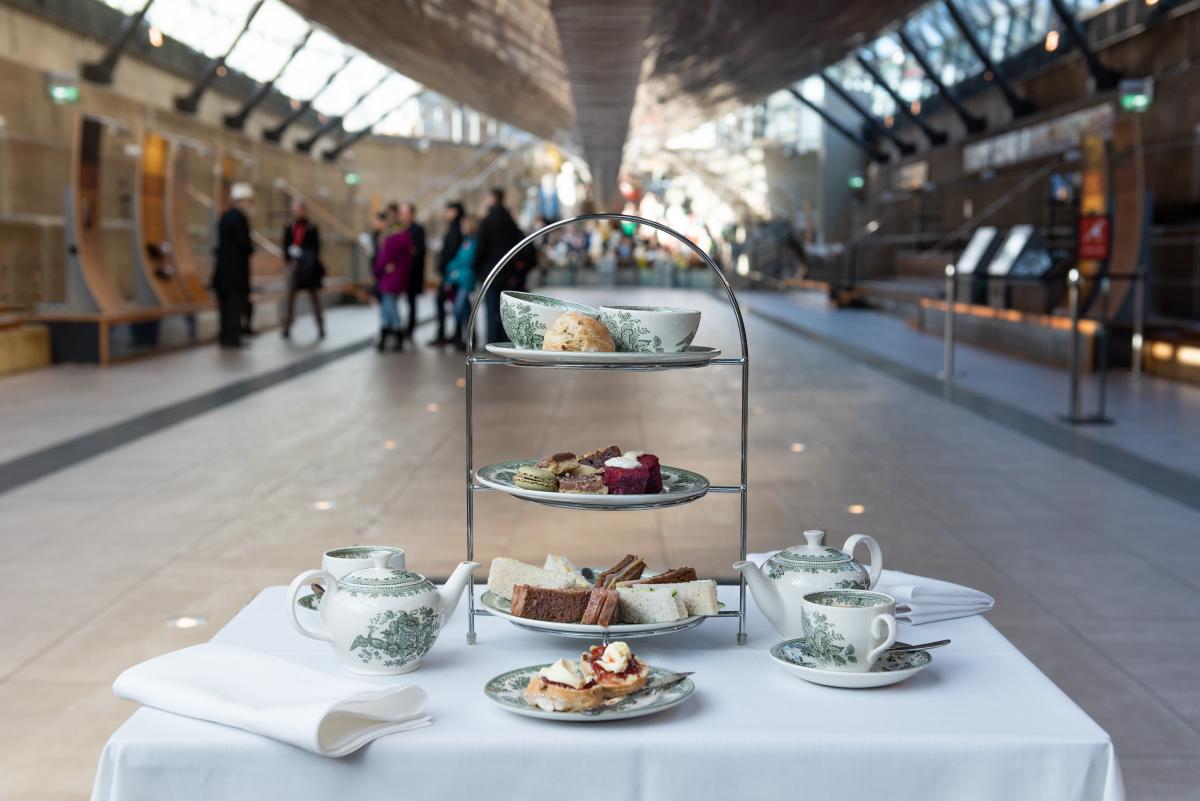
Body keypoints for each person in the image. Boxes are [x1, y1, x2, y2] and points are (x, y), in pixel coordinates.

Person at [472, 188, 531, 344]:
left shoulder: (487, 221)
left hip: (491, 273)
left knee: (491, 311)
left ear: (492, 198)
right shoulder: (510, 222)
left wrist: (477, 269)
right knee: (507, 312)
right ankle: (506, 343)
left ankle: (492, 343)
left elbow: (480, 249)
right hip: (509, 274)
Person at [212, 182, 255, 349]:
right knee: (235, 305)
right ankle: (233, 336)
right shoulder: (240, 218)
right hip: (236, 271)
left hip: (222, 270)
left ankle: (224, 335)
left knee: (224, 307)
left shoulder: (224, 216)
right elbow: (245, 244)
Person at [281, 199, 326, 340]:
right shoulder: (289, 227)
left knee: (314, 298)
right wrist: (290, 261)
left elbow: (316, 248)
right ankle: (286, 327)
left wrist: (306, 260)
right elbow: (285, 247)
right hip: (293, 267)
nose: (297, 212)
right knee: (289, 299)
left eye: (299, 209)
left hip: (308, 268)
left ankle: (320, 326)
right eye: (294, 209)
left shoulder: (311, 227)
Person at [373, 208, 413, 352]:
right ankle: (389, 336)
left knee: (389, 308)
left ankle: (394, 334)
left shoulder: (391, 239)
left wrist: (378, 271)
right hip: (398, 277)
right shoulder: (405, 237)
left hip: (389, 279)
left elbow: (383, 259)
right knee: (388, 307)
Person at [429, 201, 465, 346]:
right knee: (457, 305)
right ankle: (454, 334)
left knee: (457, 305)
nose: (446, 214)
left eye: (448, 211)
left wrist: (446, 270)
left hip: (452, 274)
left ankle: (454, 335)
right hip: (450, 273)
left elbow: (452, 252)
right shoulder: (454, 228)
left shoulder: (457, 229)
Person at [445, 216, 477, 350]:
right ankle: (469, 336)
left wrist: (451, 268)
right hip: (461, 279)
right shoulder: (466, 242)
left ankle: (468, 336)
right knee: (465, 309)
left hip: (466, 280)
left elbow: (464, 260)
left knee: (459, 309)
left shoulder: (472, 243)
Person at [398, 202, 426, 343]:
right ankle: (397, 327)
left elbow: (418, 251)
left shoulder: (417, 229)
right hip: (400, 273)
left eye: (405, 213)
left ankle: (409, 329)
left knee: (411, 302)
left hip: (413, 273)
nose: (402, 216)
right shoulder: (399, 229)